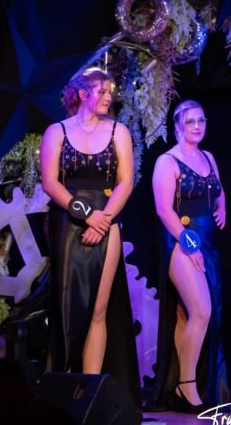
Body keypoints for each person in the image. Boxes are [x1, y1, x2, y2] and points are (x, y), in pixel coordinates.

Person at [40, 67, 140, 406]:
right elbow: (50, 183)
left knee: (98, 308)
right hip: (69, 223)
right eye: (102, 91)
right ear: (83, 94)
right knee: (69, 308)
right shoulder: (56, 131)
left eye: (110, 91)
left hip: (107, 221)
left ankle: (90, 396)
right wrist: (88, 216)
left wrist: (104, 219)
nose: (109, 97)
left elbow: (126, 182)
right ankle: (64, 393)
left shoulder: (118, 131)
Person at [151, 99, 229, 413]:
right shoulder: (167, 161)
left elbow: (219, 189)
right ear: (178, 126)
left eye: (202, 121)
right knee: (201, 311)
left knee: (188, 316)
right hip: (181, 240)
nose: (197, 126)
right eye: (191, 121)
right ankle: (187, 387)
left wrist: (222, 208)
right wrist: (189, 244)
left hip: (209, 241)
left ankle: (181, 386)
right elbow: (163, 210)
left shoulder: (208, 157)